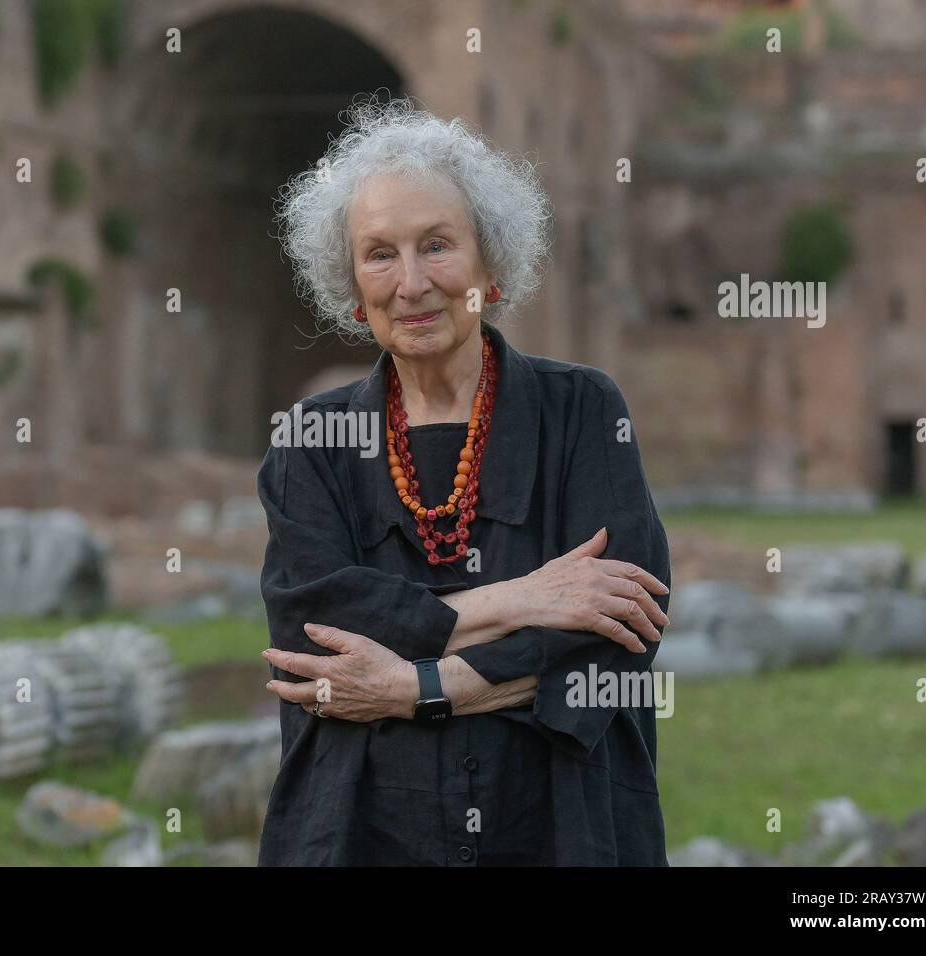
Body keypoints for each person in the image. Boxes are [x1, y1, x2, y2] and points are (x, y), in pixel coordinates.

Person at [257, 96, 672, 866]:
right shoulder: (311, 438)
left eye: (437, 246)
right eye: (380, 253)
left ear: (491, 266)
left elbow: (618, 635)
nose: (411, 283)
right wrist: (521, 599)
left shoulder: (583, 410)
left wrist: (413, 687)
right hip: (358, 830)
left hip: (558, 825)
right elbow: (310, 628)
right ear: (351, 286)